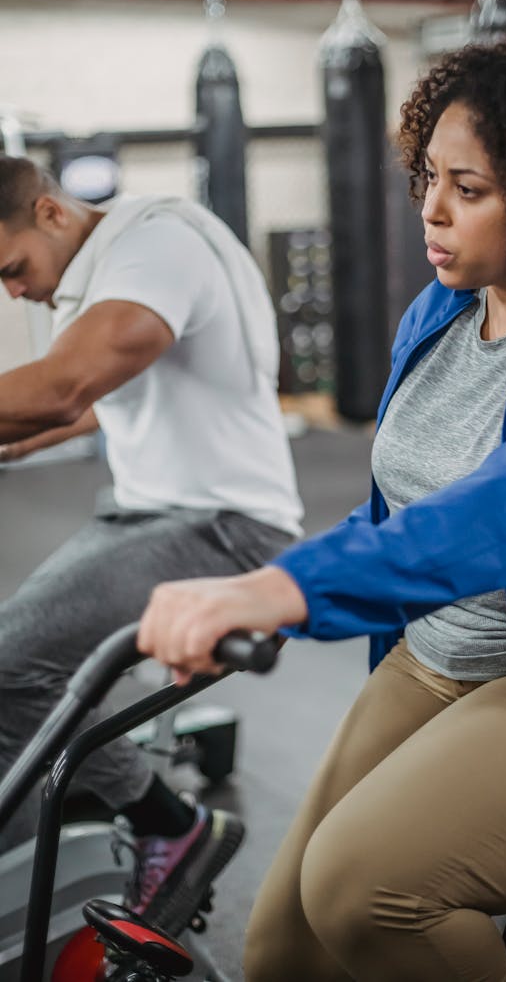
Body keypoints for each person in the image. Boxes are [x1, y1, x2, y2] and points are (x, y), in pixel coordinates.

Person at [137, 27, 506, 982]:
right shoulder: (443, 309)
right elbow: (401, 510)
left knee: (363, 887)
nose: (430, 210)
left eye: (469, 190)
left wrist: (288, 594)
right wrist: (260, 593)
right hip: (445, 651)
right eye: (428, 176)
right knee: (283, 952)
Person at [0, 157, 304, 935]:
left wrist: (46, 412)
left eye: (12, 267)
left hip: (223, 528)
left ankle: (172, 823)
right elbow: (104, 399)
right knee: (14, 667)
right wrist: (24, 441)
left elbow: (68, 383)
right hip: (148, 514)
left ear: (52, 214)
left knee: (9, 669)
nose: (12, 290)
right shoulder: (114, 263)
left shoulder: (155, 246)